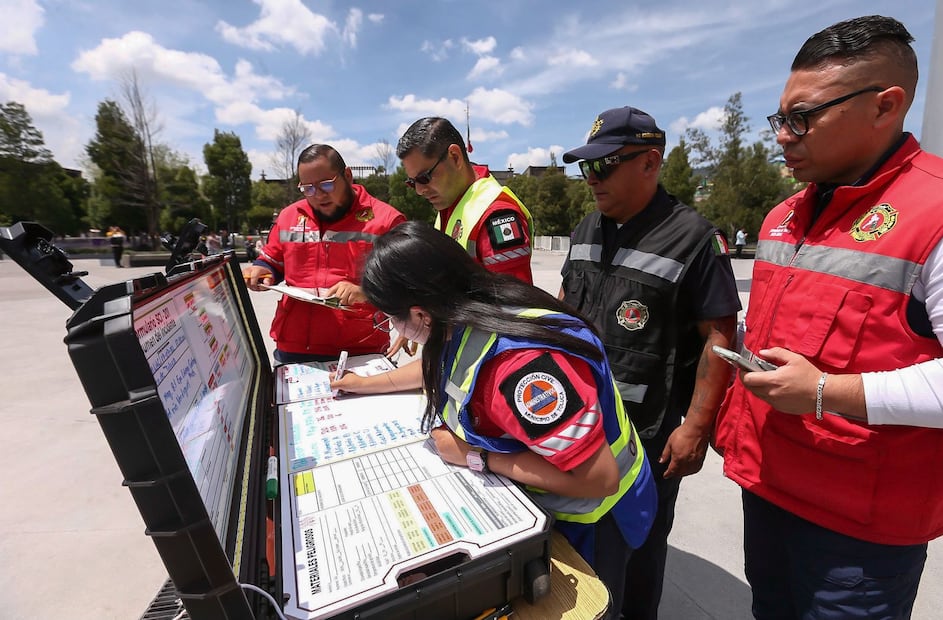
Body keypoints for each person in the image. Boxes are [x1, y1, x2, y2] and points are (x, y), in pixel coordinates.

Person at [713, 15, 943, 619]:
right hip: (768, 488)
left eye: (802, 117)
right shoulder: (784, 215)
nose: (784, 136)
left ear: (885, 106)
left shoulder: (934, 213)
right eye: (779, 119)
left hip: (857, 532)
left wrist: (824, 391)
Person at [350, 220, 657, 613]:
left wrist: (474, 456)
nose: (393, 328)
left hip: (597, 519)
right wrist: (366, 383)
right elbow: (442, 368)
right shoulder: (464, 311)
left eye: (389, 318)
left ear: (418, 312)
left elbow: (598, 478)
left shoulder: (521, 371)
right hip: (549, 502)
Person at [559, 106, 740, 620]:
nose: (591, 179)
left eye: (604, 166)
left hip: (649, 436)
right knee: (582, 550)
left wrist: (698, 427)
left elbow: (719, 334)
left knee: (638, 554)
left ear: (650, 162)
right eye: (585, 168)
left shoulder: (693, 238)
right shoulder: (587, 228)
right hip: (580, 424)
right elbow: (567, 305)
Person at [243, 144, 406, 364]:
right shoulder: (289, 216)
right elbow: (273, 258)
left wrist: (365, 291)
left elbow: (405, 284)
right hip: (293, 348)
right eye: (308, 189)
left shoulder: (386, 221)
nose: (318, 196)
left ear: (347, 176)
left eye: (326, 185)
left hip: (360, 352)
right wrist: (263, 268)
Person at [396, 116, 534, 284]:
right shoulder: (450, 204)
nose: (419, 190)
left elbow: (513, 305)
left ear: (455, 157)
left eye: (424, 178)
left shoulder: (496, 215)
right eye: (412, 182)